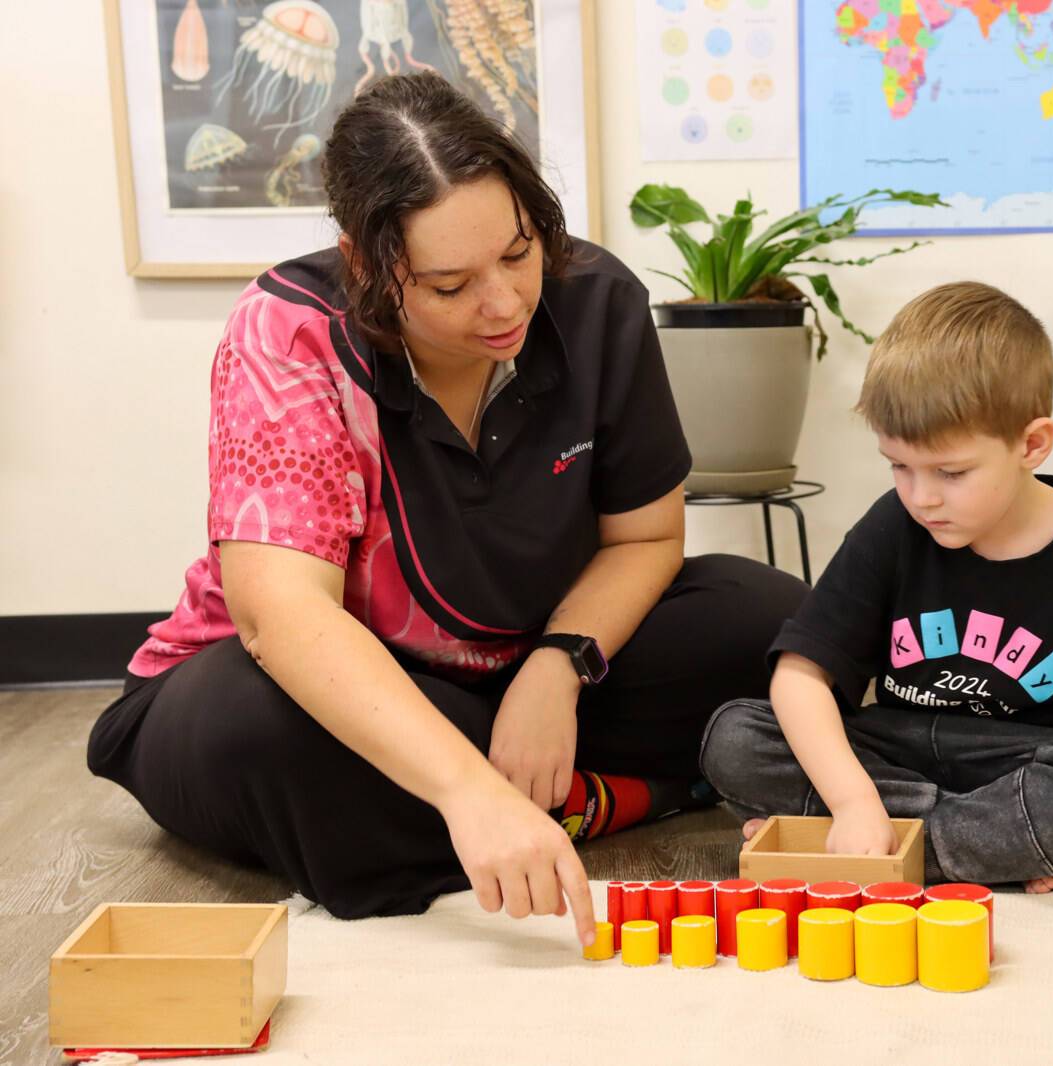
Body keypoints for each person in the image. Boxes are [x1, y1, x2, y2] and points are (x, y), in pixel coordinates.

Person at [87, 72, 807, 942]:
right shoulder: (289, 332)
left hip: (520, 664)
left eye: (517, 252)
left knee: (773, 621)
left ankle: (525, 802)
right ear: (365, 265)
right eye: (448, 284)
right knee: (266, 732)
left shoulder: (596, 300)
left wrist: (556, 672)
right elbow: (280, 621)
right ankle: (599, 800)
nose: (503, 304)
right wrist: (465, 787)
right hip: (314, 682)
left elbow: (647, 535)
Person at [700, 282, 1053, 904]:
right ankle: (983, 849)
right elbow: (800, 675)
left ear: (1031, 445)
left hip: (1031, 764)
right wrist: (853, 800)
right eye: (899, 466)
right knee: (735, 736)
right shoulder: (895, 526)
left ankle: (877, 849)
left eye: (951, 473)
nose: (921, 496)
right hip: (895, 749)